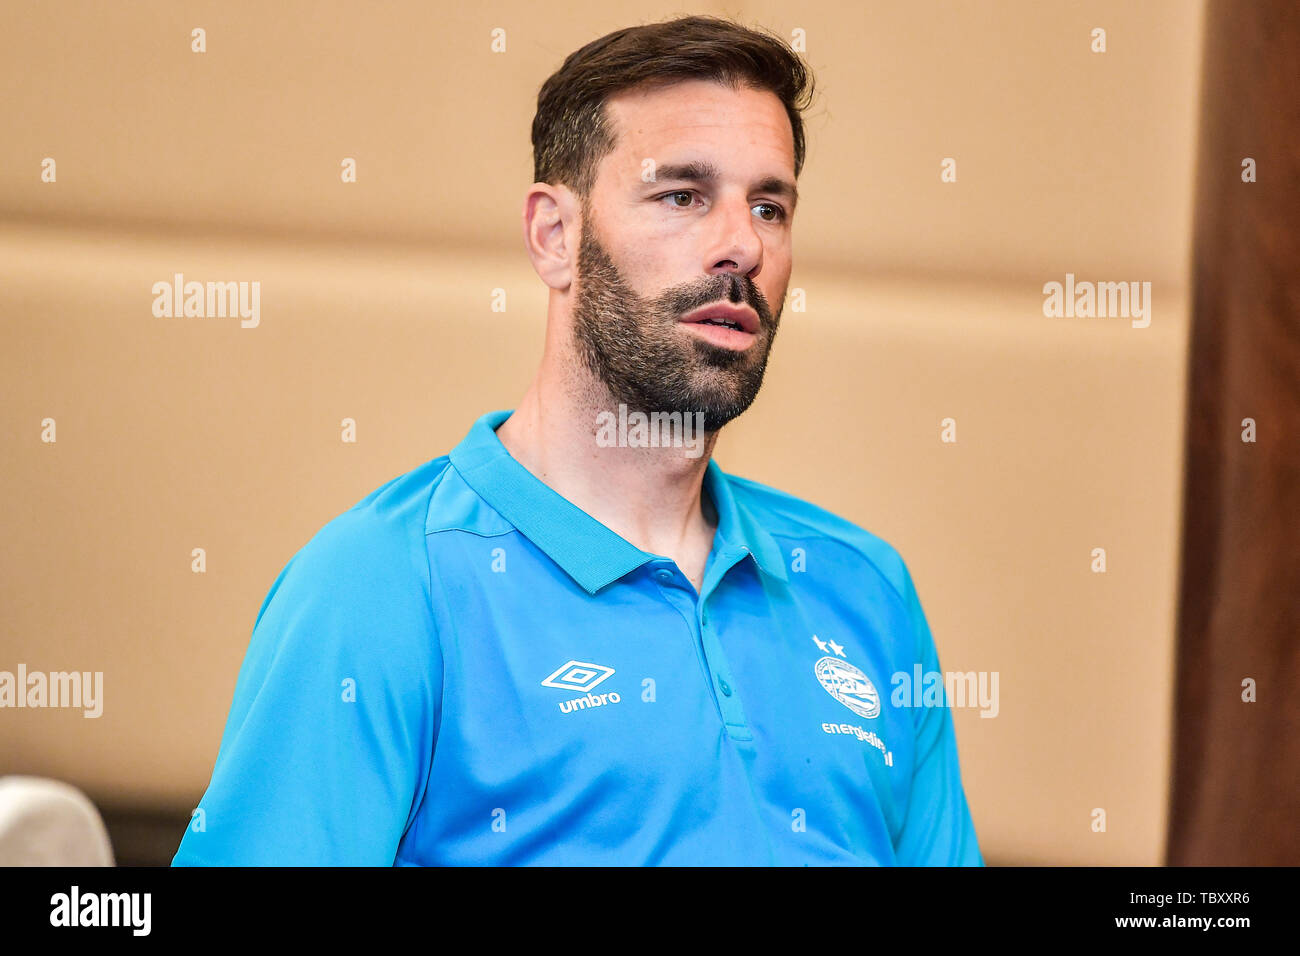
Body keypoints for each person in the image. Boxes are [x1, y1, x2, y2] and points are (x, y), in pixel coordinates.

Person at [172, 14, 983, 866]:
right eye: (682, 195)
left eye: (769, 206)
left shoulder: (864, 588)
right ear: (554, 237)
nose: (742, 245)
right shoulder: (382, 586)